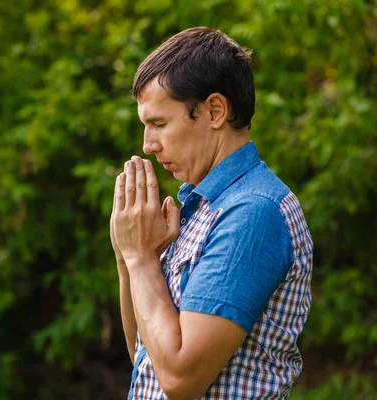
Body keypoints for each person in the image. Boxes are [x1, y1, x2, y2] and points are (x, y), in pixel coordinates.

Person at [110, 27, 313, 399]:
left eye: (158, 123)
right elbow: (148, 358)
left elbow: (179, 379)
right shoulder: (201, 206)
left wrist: (140, 260)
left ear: (215, 111)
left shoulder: (253, 212)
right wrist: (130, 257)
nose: (147, 144)